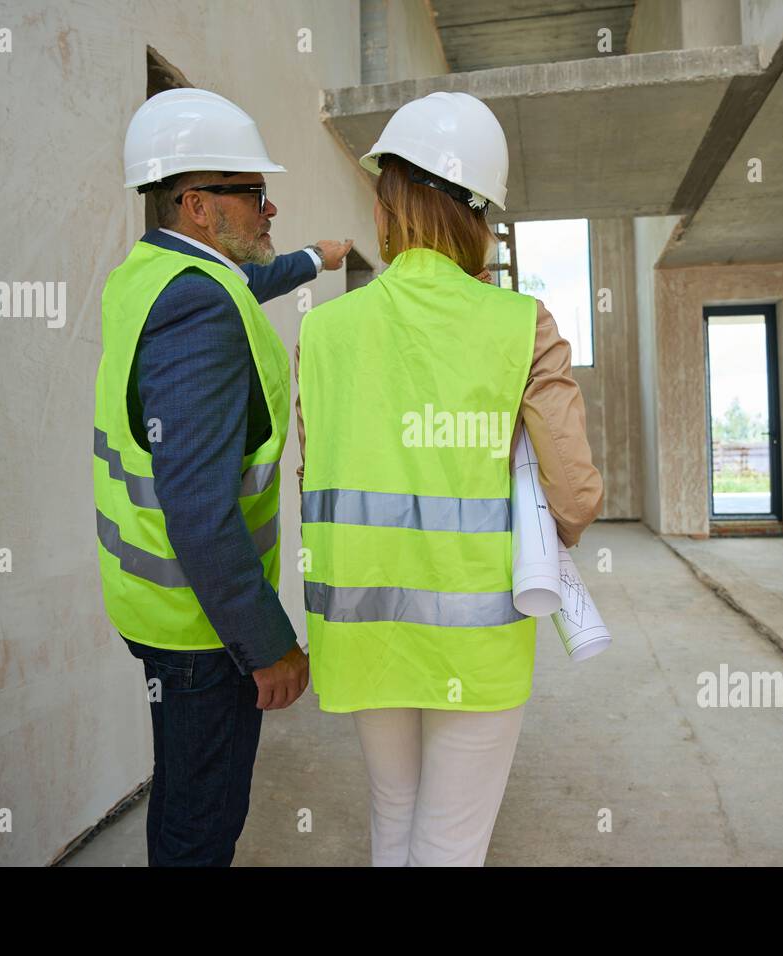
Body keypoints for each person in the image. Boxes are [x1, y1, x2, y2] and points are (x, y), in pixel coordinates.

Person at [296, 91, 603, 866]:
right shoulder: (519, 323)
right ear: (480, 217)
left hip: (361, 628)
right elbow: (575, 494)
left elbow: (318, 468)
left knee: (392, 820)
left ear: (387, 202)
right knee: (450, 843)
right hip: (475, 638)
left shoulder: (324, 331)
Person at [94, 87, 349, 866]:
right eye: (255, 195)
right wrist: (269, 646)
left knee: (179, 789)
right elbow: (201, 511)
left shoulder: (156, 274)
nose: (270, 209)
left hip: (158, 609)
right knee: (202, 825)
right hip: (203, 629)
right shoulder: (198, 313)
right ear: (200, 204)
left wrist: (317, 258)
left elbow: (243, 285)